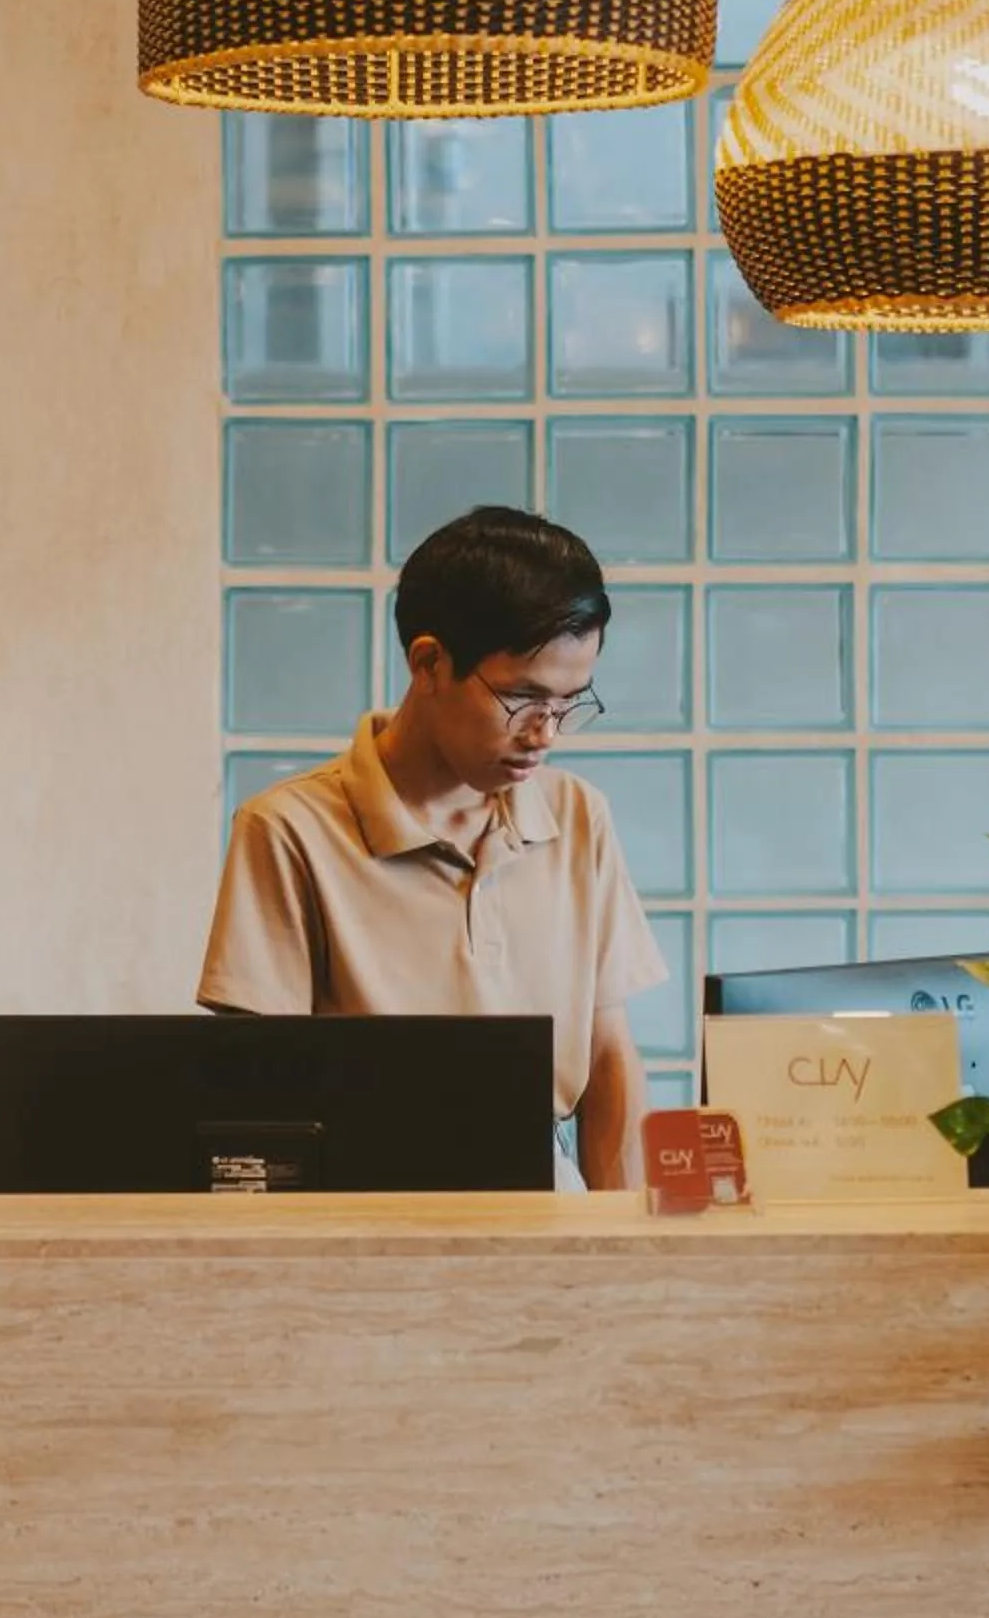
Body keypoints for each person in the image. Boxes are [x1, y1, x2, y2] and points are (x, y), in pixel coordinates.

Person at [197, 506, 666, 1191]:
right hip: (364, 1201)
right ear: (429, 662)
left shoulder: (576, 815)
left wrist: (626, 1243)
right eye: (523, 698)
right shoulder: (289, 830)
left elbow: (608, 1059)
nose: (546, 734)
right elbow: (260, 1108)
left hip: (546, 1196)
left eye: (569, 702)